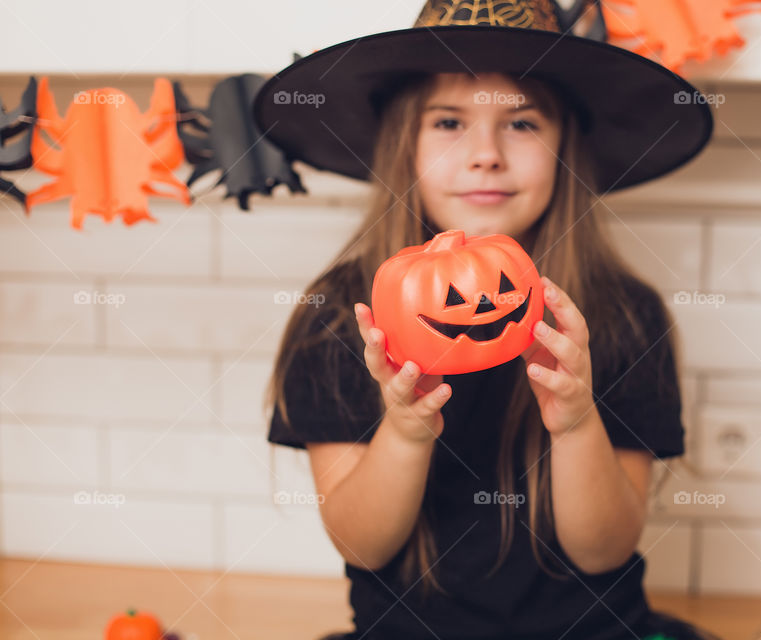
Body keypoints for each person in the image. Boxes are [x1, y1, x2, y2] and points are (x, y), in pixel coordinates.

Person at [255, 1, 722, 639]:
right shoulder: (340, 315)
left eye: (523, 124)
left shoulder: (623, 317)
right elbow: (361, 545)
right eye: (449, 122)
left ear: (566, 148)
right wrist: (405, 432)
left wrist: (578, 421)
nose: (486, 155)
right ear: (403, 145)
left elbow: (604, 550)